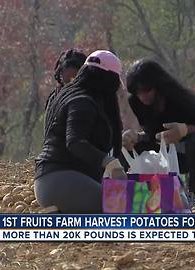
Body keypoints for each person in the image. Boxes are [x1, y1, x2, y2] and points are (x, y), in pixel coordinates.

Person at [34, 50, 127, 213]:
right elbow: (75, 142)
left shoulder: (68, 95)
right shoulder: (82, 102)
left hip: (51, 182)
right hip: (62, 180)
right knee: (122, 207)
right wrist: (107, 161)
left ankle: (61, 215)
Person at [123, 59, 195, 211]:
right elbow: (150, 134)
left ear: (157, 86)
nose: (143, 96)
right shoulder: (136, 102)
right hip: (166, 152)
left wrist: (184, 130)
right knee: (130, 146)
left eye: (147, 90)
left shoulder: (178, 97)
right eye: (138, 92)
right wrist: (136, 137)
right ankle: (132, 191)